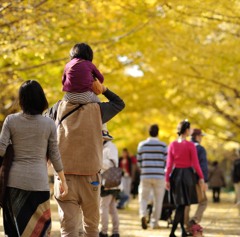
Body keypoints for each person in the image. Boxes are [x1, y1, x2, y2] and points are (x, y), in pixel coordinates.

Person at [48, 85, 125, 237]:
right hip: (91, 177)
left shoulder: (57, 108)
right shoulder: (98, 110)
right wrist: (104, 89)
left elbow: (42, 128)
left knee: (68, 230)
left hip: (64, 176)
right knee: (91, 229)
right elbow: (119, 103)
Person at [0, 80, 68, 236]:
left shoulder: (11, 120)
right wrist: (63, 180)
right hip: (38, 183)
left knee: (14, 232)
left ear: (21, 99)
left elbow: (1, 149)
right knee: (39, 232)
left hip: (13, 184)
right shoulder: (49, 124)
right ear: (41, 98)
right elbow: (54, 154)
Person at [62, 42, 112, 140]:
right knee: (99, 106)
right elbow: (101, 79)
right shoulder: (89, 64)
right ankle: (104, 131)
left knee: (60, 106)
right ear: (89, 54)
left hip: (69, 97)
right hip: (86, 95)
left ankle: (60, 124)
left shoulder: (67, 65)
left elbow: (63, 82)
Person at [165, 120, 205, 237]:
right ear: (187, 130)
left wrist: (167, 179)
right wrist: (201, 177)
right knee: (182, 205)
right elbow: (196, 164)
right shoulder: (190, 145)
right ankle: (172, 233)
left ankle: (182, 231)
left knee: (181, 205)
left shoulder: (172, 144)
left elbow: (169, 164)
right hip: (187, 176)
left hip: (176, 176)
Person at [137, 124, 167, 229]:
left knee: (143, 197)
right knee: (158, 200)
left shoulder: (142, 145)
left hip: (145, 174)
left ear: (148, 132)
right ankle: (154, 222)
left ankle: (143, 214)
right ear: (158, 132)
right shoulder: (163, 146)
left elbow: (139, 161)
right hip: (159, 175)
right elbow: (166, 162)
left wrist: (144, 168)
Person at [99, 139, 120, 237]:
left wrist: (98, 161)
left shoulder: (109, 147)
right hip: (113, 182)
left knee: (104, 207)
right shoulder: (107, 147)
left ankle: (104, 232)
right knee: (112, 208)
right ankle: (115, 232)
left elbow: (111, 164)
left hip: (108, 182)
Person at [232, 150, 240, 215]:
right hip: (237, 181)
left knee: (238, 196)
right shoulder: (236, 162)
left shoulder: (236, 162)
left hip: (237, 181)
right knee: (238, 196)